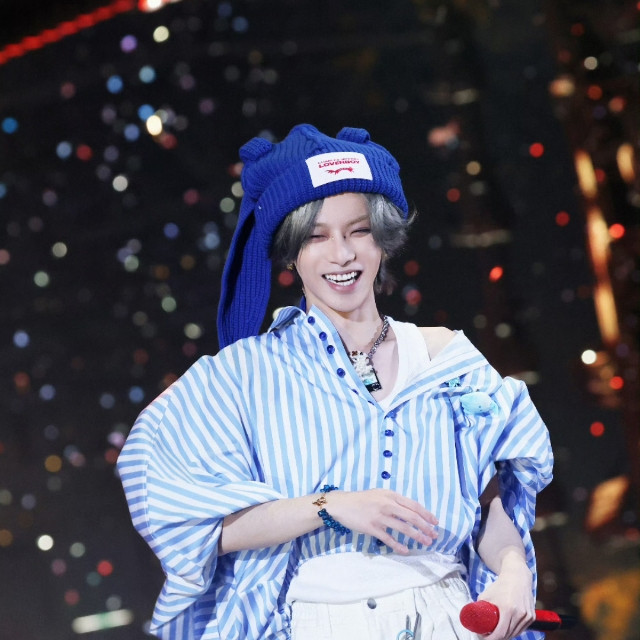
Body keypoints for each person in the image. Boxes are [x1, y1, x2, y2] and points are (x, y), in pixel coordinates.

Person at [117, 124, 554, 640]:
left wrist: (514, 573)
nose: (341, 254)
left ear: (382, 239)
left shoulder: (445, 358)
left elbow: (489, 504)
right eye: (316, 236)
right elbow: (193, 522)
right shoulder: (246, 372)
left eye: (358, 231)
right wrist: (332, 507)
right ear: (291, 252)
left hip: (448, 617)